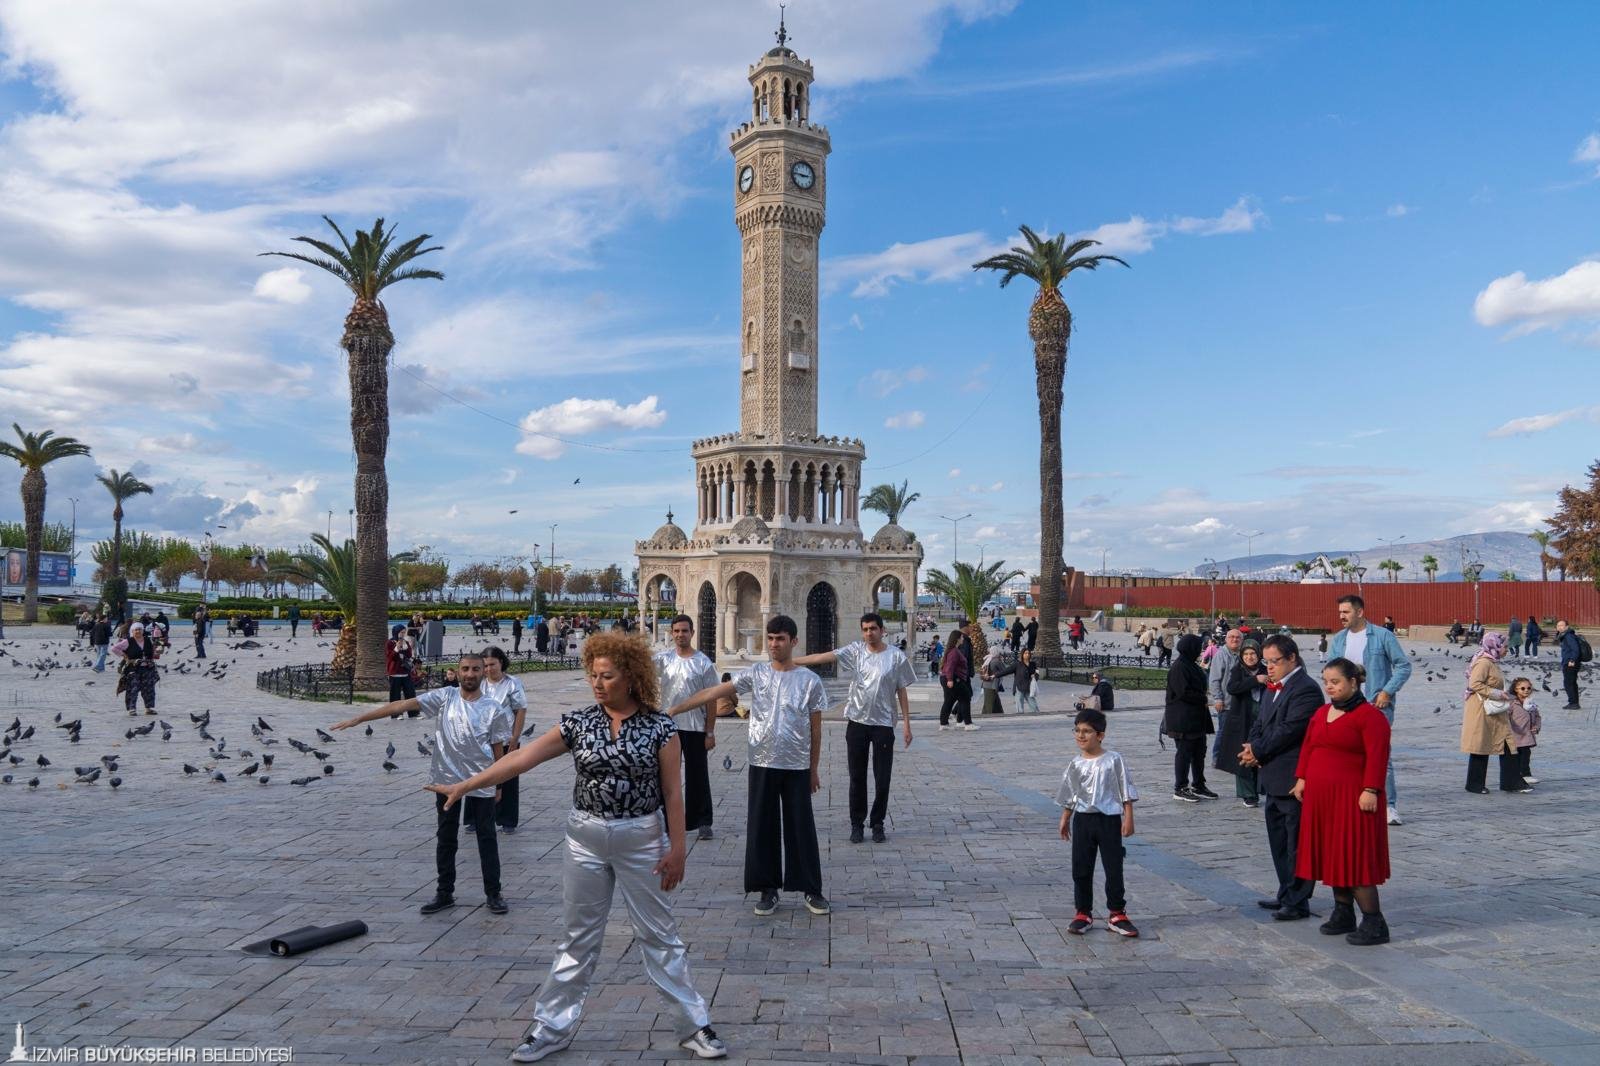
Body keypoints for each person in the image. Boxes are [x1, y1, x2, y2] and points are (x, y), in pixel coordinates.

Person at [424, 635, 728, 1063]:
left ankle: (694, 1025)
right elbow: (522, 758)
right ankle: (550, 1027)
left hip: (642, 838)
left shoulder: (660, 727)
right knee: (577, 937)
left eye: (607, 676)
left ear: (631, 677)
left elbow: (673, 793)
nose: (597, 684)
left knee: (659, 935)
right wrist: (468, 784)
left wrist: (678, 849)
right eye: (593, 675)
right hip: (585, 838)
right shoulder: (578, 723)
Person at [331, 652, 514, 916]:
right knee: (446, 837)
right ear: (458, 672)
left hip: (482, 779)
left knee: (486, 837)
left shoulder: (493, 708)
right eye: (465, 669)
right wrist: (361, 718)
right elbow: (402, 705)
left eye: (476, 669)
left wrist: (499, 784)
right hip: (445, 780)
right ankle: (444, 892)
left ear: (483, 673)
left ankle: (493, 893)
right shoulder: (445, 697)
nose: (470, 674)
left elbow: (499, 750)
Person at [670, 615, 829, 916]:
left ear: (794, 641)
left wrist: (814, 768)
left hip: (796, 765)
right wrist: (675, 708)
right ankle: (767, 889)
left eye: (780, 639)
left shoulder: (810, 681)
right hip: (762, 761)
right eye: (770, 638)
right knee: (762, 825)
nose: (774, 644)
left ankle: (811, 888)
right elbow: (714, 692)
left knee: (801, 826)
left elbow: (816, 729)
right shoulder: (757, 673)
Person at [1291, 657, 1392, 946]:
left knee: (1354, 856)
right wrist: (1302, 777)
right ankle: (1343, 912)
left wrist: (1371, 789)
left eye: (1335, 682)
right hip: (1322, 799)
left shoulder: (1370, 716)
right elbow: (1309, 746)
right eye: (1326, 682)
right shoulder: (1322, 712)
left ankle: (1374, 922)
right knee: (1333, 855)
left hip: (1353, 798)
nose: (1329, 687)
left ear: (1353, 682)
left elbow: (1378, 755)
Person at [793, 612, 916, 843]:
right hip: (857, 722)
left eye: (873, 629)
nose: (869, 633)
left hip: (883, 724)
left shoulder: (895, 657)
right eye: (865, 629)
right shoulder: (855, 652)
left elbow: (901, 690)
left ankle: (877, 823)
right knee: (857, 777)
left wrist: (906, 723)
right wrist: (793, 662)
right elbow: (823, 657)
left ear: (882, 630)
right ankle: (856, 824)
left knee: (882, 778)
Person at [1240, 633, 1321, 921]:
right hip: (1271, 773)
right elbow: (1260, 723)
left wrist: (1257, 750)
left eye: (1275, 661)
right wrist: (1251, 746)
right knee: (1278, 840)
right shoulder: (1273, 687)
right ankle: (1286, 891)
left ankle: (1298, 900)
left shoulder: (1306, 689)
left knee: (1295, 842)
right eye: (1267, 662)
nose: (1269, 667)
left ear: (1292, 658)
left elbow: (1290, 730)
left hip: (1292, 775)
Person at [1326, 595, 1413, 826]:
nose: (1341, 616)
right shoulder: (1339, 639)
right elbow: (1331, 670)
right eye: (1340, 612)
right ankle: (1349, 800)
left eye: (1346, 612)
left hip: (1376, 705)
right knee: (1344, 753)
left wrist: (1387, 692)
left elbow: (1403, 666)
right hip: (1346, 706)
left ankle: (1389, 806)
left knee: (1379, 754)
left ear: (1360, 612)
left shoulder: (1383, 636)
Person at [1056, 707, 1140, 937]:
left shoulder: (1113, 760)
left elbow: (1124, 789)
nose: (1080, 735)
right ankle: (1083, 912)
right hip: (1083, 820)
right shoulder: (1075, 764)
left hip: (1108, 820)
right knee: (1081, 867)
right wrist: (1065, 818)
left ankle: (1117, 913)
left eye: (1087, 731)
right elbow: (1070, 793)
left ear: (1100, 735)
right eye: (1077, 730)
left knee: (1113, 867)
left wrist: (1128, 817)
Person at [655, 615, 721, 841]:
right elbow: (640, 673)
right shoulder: (663, 659)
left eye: (684, 631)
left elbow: (711, 699)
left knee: (697, 775)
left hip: (695, 727)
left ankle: (702, 821)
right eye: (676, 631)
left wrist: (710, 731)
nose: (680, 635)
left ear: (692, 633)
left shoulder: (703, 663)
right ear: (671, 633)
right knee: (666, 775)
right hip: (667, 727)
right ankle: (665, 821)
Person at [1460, 633, 1528, 794]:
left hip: (1493, 711)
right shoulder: (1484, 662)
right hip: (1481, 711)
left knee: (1507, 744)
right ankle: (1475, 785)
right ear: (1495, 646)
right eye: (1504, 646)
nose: (1507, 649)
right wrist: (1497, 694)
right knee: (1480, 746)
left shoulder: (1491, 661)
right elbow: (1474, 684)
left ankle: (1511, 782)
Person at [482, 647, 529, 835]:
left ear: (501, 662)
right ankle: (476, 817)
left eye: (492, 664)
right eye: (485, 665)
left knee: (508, 778)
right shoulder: (480, 682)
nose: (489, 669)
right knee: (481, 777)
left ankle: (507, 820)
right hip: (483, 738)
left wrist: (515, 738)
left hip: (506, 738)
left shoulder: (512, 683)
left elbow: (520, 710)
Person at [1163, 634, 1215, 802]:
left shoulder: (1191, 664)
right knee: (1184, 753)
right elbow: (1183, 692)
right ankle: (1180, 787)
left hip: (1196, 717)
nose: (1200, 650)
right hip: (1183, 718)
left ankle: (1198, 784)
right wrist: (1203, 698)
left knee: (1199, 752)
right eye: (1198, 647)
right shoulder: (1179, 667)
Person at [1218, 638, 1265, 807]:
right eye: (1246, 654)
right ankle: (1248, 794)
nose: (1249, 657)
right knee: (1243, 755)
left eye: (1252, 653)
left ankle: (1260, 788)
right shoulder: (1238, 670)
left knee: (1260, 752)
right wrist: (1255, 680)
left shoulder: (1265, 669)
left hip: (1262, 717)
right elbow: (1232, 688)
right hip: (1242, 719)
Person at [1208, 629, 1241, 762]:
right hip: (1226, 702)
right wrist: (1217, 698)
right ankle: (1217, 757)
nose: (1234, 639)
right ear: (1226, 639)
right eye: (1231, 637)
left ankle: (1232, 756)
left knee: (1238, 731)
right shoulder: (1221, 655)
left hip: (1240, 701)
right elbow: (1214, 679)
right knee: (1224, 731)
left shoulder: (1242, 654)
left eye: (1237, 637)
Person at [114, 621, 161, 715]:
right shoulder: (128, 641)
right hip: (133, 669)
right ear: (132, 631)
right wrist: (124, 655)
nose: (138, 631)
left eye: (140, 629)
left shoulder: (148, 640)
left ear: (142, 630)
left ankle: (148, 708)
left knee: (149, 689)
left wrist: (157, 653)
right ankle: (132, 709)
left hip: (147, 668)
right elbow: (114, 648)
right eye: (136, 630)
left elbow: (152, 652)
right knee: (133, 689)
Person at [1506, 677, 1541, 787]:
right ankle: (1518, 777)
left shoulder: (1531, 703)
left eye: (1529, 688)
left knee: (1526, 755)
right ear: (1516, 689)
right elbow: (1505, 717)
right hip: (1515, 736)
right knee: (1516, 758)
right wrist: (1510, 729)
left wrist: (1536, 727)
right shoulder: (1511, 703)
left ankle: (1526, 775)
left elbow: (1537, 716)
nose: (1526, 690)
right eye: (1523, 688)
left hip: (1527, 736)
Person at [937, 627, 974, 731]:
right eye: (961, 637)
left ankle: (944, 724)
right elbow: (950, 666)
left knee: (949, 700)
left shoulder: (952, 650)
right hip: (953, 678)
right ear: (957, 639)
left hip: (947, 677)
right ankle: (968, 724)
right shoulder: (954, 652)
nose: (963, 639)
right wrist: (950, 679)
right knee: (966, 697)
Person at [996, 648, 1041, 714]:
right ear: (1022, 654)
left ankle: (1038, 716)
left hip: (1029, 688)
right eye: (1025, 653)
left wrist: (1035, 676)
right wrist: (995, 675)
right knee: (1020, 708)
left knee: (1034, 705)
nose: (1027, 655)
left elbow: (1037, 673)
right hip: (1019, 688)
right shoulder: (1017, 664)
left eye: (1028, 653)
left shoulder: (1033, 664)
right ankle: (1020, 718)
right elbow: (1006, 671)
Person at [386, 625, 417, 704]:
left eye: (404, 632)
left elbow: (409, 655)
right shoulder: (390, 643)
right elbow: (391, 657)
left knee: (410, 693)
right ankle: (395, 711)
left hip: (405, 672)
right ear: (396, 632)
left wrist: (406, 647)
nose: (403, 634)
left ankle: (413, 710)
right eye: (401, 632)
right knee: (395, 695)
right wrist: (397, 648)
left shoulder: (405, 642)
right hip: (395, 673)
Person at [1555, 619, 1582, 709]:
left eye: (1562, 625)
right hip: (1569, 662)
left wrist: (1572, 660)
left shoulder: (1568, 636)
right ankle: (1574, 703)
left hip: (1570, 663)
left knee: (1568, 684)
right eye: (1558, 626)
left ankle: (1573, 703)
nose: (1559, 627)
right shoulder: (1564, 635)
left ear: (1566, 627)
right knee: (1572, 683)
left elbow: (1575, 649)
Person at [977, 648, 1007, 716]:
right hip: (992, 685)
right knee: (989, 703)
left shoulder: (988, 659)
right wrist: (1001, 661)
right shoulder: (996, 661)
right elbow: (1005, 670)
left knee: (991, 701)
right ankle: (987, 716)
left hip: (985, 684)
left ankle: (999, 713)